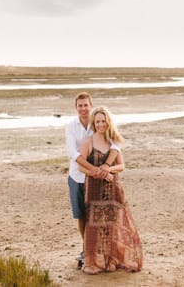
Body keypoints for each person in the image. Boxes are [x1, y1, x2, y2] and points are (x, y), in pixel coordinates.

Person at [77, 106, 143, 275]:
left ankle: (111, 259)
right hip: (94, 189)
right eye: (97, 121)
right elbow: (80, 167)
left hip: (113, 188)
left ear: (108, 122)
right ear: (94, 123)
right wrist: (97, 173)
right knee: (94, 225)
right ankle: (92, 262)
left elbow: (122, 166)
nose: (101, 124)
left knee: (112, 224)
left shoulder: (113, 142)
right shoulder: (88, 142)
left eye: (103, 121)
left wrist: (108, 170)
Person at [65, 93, 119, 268]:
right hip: (78, 177)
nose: (83, 108)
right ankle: (86, 249)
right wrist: (94, 170)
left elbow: (115, 145)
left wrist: (106, 167)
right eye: (79, 105)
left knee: (97, 214)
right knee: (81, 214)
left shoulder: (99, 121)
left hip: (97, 180)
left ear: (91, 105)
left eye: (85, 105)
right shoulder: (71, 126)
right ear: (76, 107)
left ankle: (103, 250)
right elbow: (73, 154)